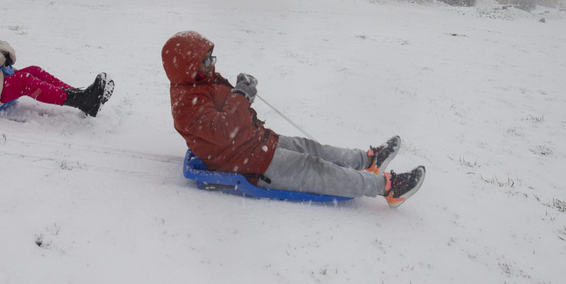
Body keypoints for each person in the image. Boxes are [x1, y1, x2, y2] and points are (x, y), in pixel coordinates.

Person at [161, 31, 425, 206]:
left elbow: (228, 109)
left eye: (211, 58)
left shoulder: (201, 81)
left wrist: (241, 89)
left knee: (312, 148)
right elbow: (222, 128)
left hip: (255, 142)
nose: (212, 65)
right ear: (187, 66)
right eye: (205, 61)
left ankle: (368, 160)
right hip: (246, 162)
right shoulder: (185, 104)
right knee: (315, 169)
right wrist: (241, 95)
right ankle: (386, 187)